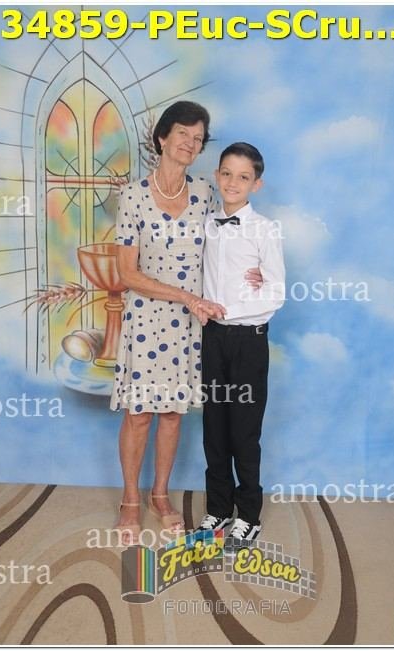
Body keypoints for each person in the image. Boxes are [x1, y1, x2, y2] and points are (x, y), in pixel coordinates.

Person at [110, 104, 260, 544]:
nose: (190, 143)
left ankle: (160, 495)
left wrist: (256, 270)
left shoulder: (205, 193)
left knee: (172, 415)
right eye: (183, 133)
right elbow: (127, 273)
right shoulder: (133, 196)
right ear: (162, 138)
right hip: (147, 318)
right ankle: (130, 499)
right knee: (140, 415)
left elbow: (225, 246)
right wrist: (186, 297)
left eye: (198, 138)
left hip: (187, 325)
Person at [196, 142, 285, 542]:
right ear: (217, 175)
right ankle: (218, 509)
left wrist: (227, 308)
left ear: (256, 184)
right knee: (214, 428)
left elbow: (276, 293)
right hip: (212, 339)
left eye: (243, 177)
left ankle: (249, 514)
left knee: (243, 432)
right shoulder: (207, 224)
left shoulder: (265, 230)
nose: (233, 182)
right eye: (227, 173)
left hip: (248, 342)